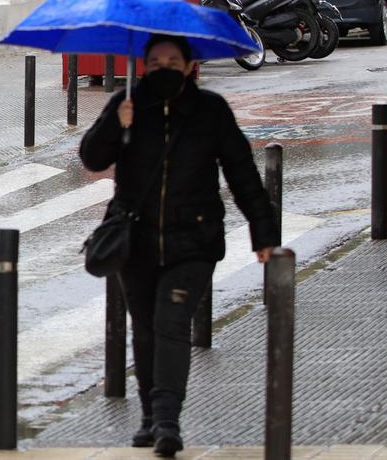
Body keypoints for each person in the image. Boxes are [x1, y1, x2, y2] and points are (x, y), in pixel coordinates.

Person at [79, 35, 279, 457]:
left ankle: (168, 420)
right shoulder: (126, 103)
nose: (164, 67)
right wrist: (118, 123)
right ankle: (150, 418)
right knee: (146, 330)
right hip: (136, 241)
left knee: (171, 325)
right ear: (144, 64)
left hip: (194, 241)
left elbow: (242, 173)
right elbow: (92, 159)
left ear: (191, 66)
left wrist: (263, 235)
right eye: (155, 61)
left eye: (173, 60)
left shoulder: (211, 111)